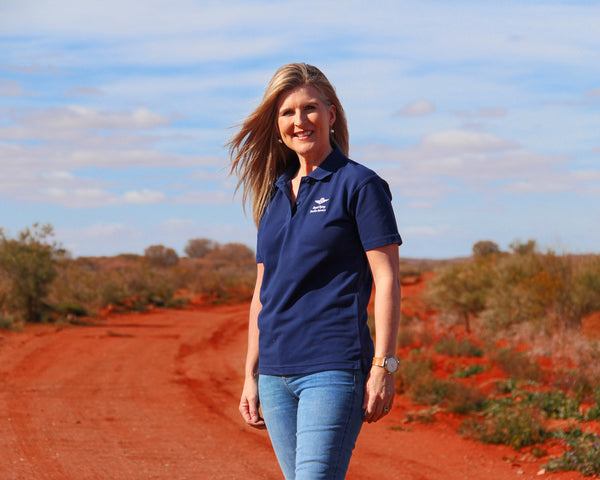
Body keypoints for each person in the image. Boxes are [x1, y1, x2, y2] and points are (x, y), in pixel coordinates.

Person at [228, 62, 402, 480]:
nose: (299, 121)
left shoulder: (359, 185)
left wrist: (384, 366)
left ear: (331, 115)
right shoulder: (272, 197)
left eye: (309, 109)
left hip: (332, 368)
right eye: (287, 113)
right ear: (277, 124)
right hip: (275, 376)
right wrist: (250, 374)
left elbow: (387, 278)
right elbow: (262, 293)